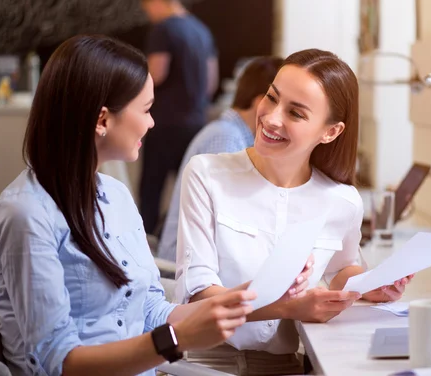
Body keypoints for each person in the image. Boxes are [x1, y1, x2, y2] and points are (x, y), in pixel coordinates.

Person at [0, 35, 311, 376]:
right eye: (146, 109)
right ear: (103, 120)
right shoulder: (25, 215)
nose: (152, 122)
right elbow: (60, 364)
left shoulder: (116, 196)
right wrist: (175, 339)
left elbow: (152, 310)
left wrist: (257, 296)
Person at [175, 49, 412, 375]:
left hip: (285, 366)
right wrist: (289, 307)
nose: (272, 118)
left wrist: (373, 286)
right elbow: (198, 298)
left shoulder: (342, 201)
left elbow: (342, 269)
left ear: (330, 132)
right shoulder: (207, 174)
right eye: (272, 98)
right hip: (209, 365)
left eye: (296, 114)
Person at [158, 56, 284, 262]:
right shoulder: (227, 137)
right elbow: (227, 224)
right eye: (281, 103)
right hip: (188, 264)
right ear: (261, 101)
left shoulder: (234, 134)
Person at [139, 0, 218, 233]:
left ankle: (146, 244)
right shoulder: (202, 30)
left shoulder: (164, 29)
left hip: (165, 122)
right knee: (188, 191)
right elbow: (211, 81)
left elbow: (157, 73)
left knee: (151, 190)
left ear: (157, 1)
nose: (149, 15)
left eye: (148, 8)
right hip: (195, 122)